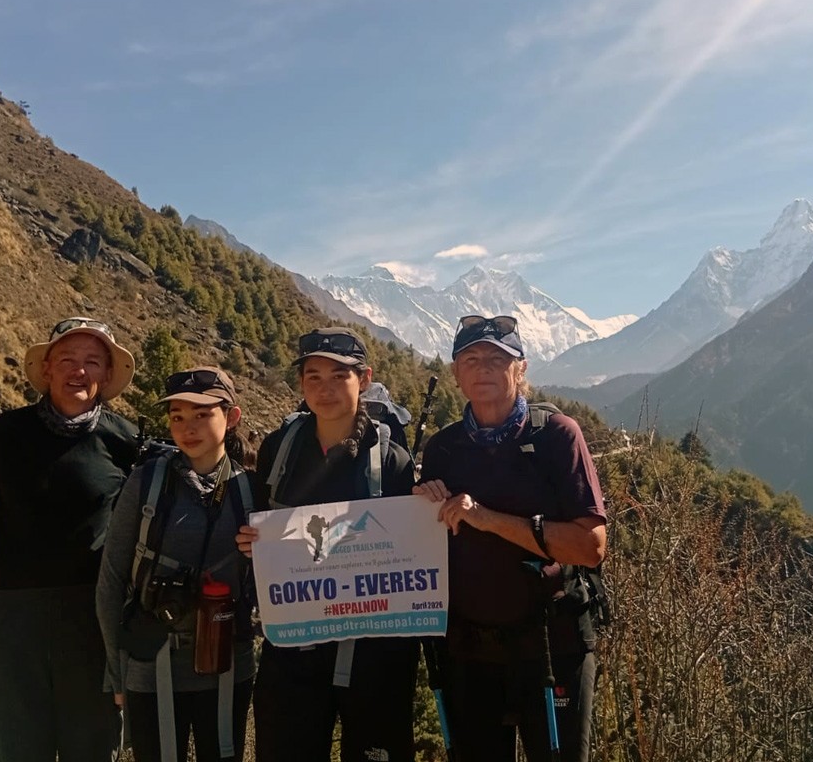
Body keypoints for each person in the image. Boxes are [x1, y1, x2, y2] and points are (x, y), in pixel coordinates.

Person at [0, 317, 138, 762]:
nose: (79, 371)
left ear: (107, 375)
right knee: (13, 742)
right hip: (14, 618)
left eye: (92, 361)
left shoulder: (126, 443)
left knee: (91, 742)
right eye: (67, 359)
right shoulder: (2, 434)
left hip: (93, 618)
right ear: (47, 368)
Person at [413, 314, 607, 762]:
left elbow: (591, 547)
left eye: (498, 358)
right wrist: (418, 508)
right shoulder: (442, 449)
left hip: (552, 644)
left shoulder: (557, 436)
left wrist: (485, 517)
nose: (484, 368)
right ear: (456, 373)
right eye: (472, 358)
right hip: (469, 650)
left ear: (521, 369)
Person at [235, 327, 419, 762]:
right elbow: (263, 524)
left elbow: (409, 545)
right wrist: (253, 543)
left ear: (365, 378)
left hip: (374, 656)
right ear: (301, 384)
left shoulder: (391, 459)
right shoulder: (280, 449)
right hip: (294, 649)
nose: (325, 388)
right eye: (313, 376)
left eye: (340, 376)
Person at [96, 367, 255, 762]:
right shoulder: (145, 482)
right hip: (151, 663)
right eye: (178, 416)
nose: (188, 428)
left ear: (231, 417)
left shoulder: (252, 491)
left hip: (227, 665)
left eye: (203, 414)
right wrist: (116, 671)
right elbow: (112, 578)